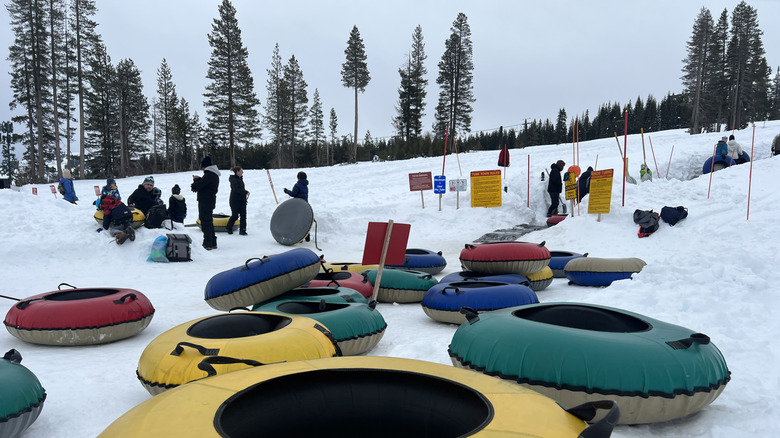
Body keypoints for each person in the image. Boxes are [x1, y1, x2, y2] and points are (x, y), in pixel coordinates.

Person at [191, 156, 220, 250]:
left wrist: (196, 180)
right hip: (210, 200)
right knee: (208, 221)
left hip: (205, 201)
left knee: (205, 221)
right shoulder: (213, 174)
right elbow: (204, 184)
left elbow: (198, 186)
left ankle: (208, 243)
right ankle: (212, 241)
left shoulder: (209, 174)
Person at [284, 171, 310, 241]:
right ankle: (307, 236)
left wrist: (287, 191)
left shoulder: (297, 185)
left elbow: (293, 194)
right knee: (304, 220)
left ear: (299, 178)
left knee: (297, 221)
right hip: (305, 205)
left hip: (298, 205)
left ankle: (299, 238)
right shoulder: (306, 186)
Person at [226, 166, 249, 235]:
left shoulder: (240, 179)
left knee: (243, 215)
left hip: (242, 200)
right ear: (237, 172)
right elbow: (236, 190)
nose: (242, 172)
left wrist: (245, 192)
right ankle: (229, 227)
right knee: (235, 215)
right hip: (235, 200)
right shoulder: (234, 180)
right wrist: (245, 192)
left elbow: (240, 190)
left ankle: (243, 230)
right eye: (241, 171)